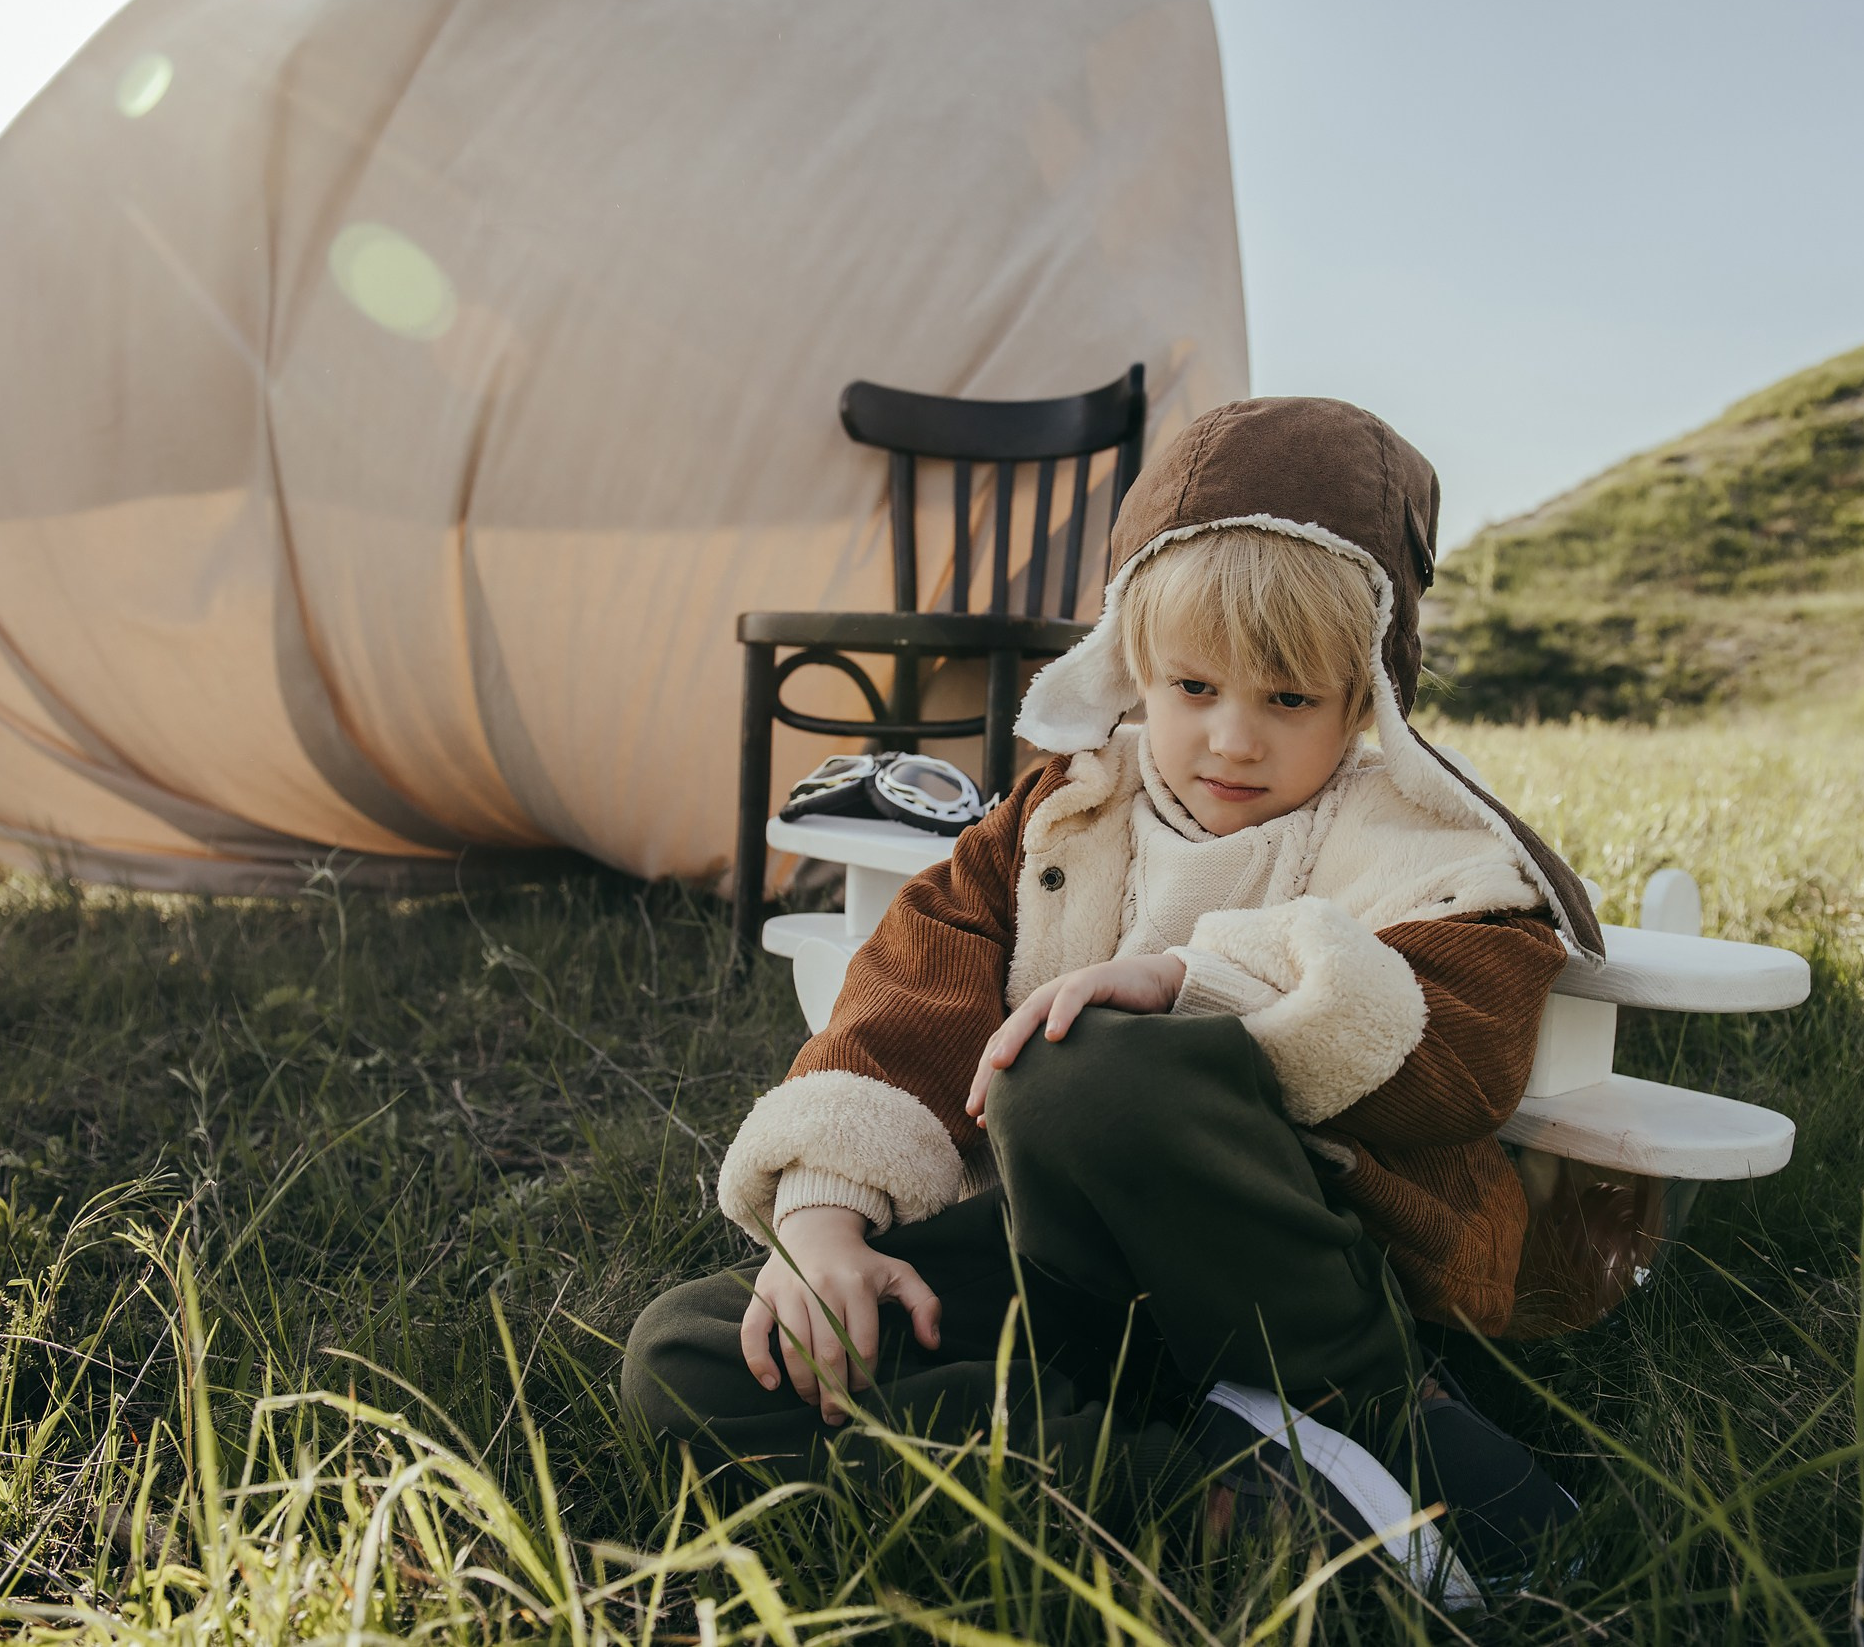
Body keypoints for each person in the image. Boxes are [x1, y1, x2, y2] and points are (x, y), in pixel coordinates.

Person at [621, 397, 1605, 1600]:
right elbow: (909, 995)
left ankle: (1378, 1416)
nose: (1231, 739)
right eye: (1193, 686)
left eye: (1288, 699)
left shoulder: (1420, 846)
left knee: (1077, 1063)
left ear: (1364, 698)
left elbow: (1465, 1042)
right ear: (1134, 666)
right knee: (693, 1354)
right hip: (1061, 1273)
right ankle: (1204, 1491)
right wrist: (825, 1223)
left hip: (1283, 1281)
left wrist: (1194, 982)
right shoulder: (1062, 813)